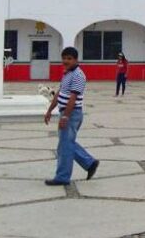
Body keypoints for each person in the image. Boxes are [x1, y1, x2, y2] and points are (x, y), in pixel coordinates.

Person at [43, 47, 99, 186]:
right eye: (64, 58)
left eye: (69, 58)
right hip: (66, 112)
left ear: (76, 60)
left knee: (65, 146)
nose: (66, 61)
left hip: (72, 114)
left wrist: (65, 117)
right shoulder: (67, 73)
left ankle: (62, 177)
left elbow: (72, 98)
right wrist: (50, 110)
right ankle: (89, 163)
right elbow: (59, 94)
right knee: (66, 144)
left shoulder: (78, 75)